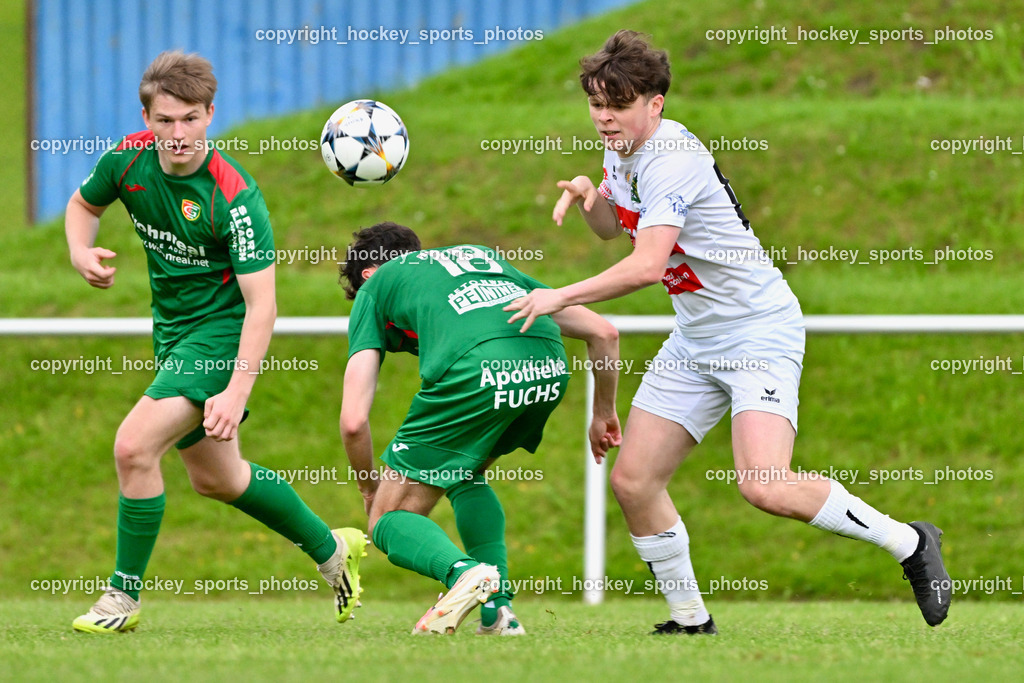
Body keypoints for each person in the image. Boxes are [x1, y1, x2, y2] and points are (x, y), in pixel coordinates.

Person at [505, 30, 951, 634]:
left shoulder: (673, 161)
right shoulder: (622, 146)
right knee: (634, 480)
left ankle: (909, 541)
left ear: (655, 103)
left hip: (757, 332)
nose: (604, 117)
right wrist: (590, 198)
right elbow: (616, 228)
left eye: (619, 104)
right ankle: (690, 620)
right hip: (697, 338)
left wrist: (561, 293)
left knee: (764, 484)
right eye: (596, 104)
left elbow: (646, 265)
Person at [65, 50, 364, 633]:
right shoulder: (127, 159)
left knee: (133, 447)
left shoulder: (235, 195)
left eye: (192, 119)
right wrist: (80, 250)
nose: (178, 134)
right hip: (174, 332)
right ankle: (332, 548)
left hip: (224, 335)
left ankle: (121, 598)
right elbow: (83, 205)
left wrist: (234, 388)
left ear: (210, 115)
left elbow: (263, 307)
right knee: (219, 479)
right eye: (165, 120)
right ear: (147, 119)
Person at [339, 223, 621, 635]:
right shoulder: (480, 258)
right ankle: (499, 613)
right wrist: (602, 414)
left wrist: (368, 488)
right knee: (465, 474)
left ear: (368, 273)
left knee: (389, 518)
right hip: (547, 368)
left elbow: (352, 421)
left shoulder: (376, 287)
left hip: (477, 370)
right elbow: (604, 332)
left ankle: (464, 574)